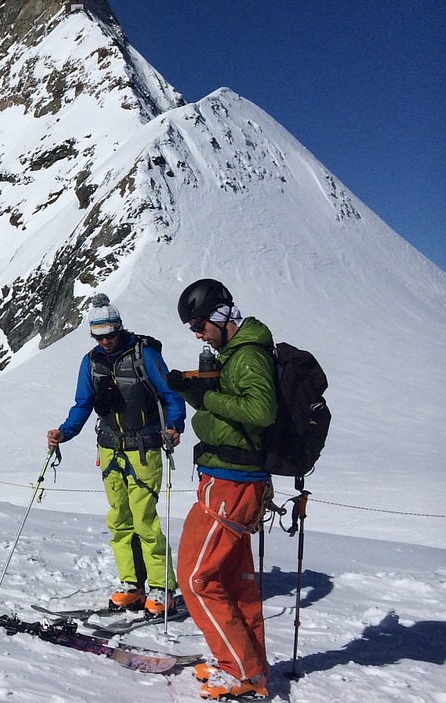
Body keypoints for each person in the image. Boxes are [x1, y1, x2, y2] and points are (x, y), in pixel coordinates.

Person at [168, 279, 276, 700]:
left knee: (195, 578)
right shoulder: (235, 353)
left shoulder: (247, 354)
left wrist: (208, 398)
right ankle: (248, 664)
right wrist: (197, 392)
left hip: (233, 482)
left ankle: (241, 671)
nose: (196, 333)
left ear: (219, 314)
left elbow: (260, 411)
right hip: (230, 478)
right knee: (233, 583)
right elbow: (238, 411)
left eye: (198, 323)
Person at [47, 293, 185, 616]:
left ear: (120, 328)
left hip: (145, 449)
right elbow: (82, 405)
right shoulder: (90, 363)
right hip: (109, 450)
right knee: (119, 520)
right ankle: (132, 586)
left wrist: (174, 426)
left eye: (110, 335)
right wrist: (64, 433)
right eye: (99, 337)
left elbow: (170, 396)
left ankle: (163, 588)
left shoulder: (144, 355)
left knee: (145, 521)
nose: (106, 341)